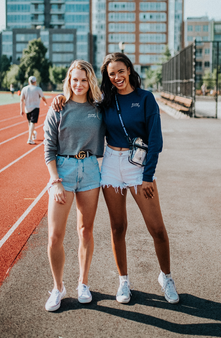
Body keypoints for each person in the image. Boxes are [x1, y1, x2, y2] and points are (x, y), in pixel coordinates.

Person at [52, 53, 179, 305]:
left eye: (121, 71)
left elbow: (155, 141)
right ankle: (123, 281)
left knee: (157, 229)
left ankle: (166, 277)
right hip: (111, 165)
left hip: (138, 167)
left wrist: (148, 176)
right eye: (112, 74)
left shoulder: (145, 99)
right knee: (117, 227)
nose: (117, 77)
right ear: (107, 77)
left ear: (129, 70)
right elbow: (80, 102)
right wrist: (59, 98)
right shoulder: (104, 102)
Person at [43, 60, 105, 312]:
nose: (78, 84)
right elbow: (48, 149)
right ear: (68, 80)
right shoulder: (58, 108)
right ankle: (58, 288)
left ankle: (83, 283)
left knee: (85, 230)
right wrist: (55, 181)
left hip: (90, 169)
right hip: (64, 171)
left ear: (90, 81)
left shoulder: (99, 108)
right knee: (55, 235)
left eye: (83, 79)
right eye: (74, 79)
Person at [20, 76, 47, 144]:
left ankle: (32, 134)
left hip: (27, 108)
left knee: (30, 123)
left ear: (29, 81)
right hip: (35, 107)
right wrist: (45, 102)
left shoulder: (24, 89)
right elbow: (43, 97)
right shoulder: (38, 89)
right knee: (32, 122)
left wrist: (21, 109)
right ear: (35, 82)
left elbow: (21, 100)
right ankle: (29, 139)